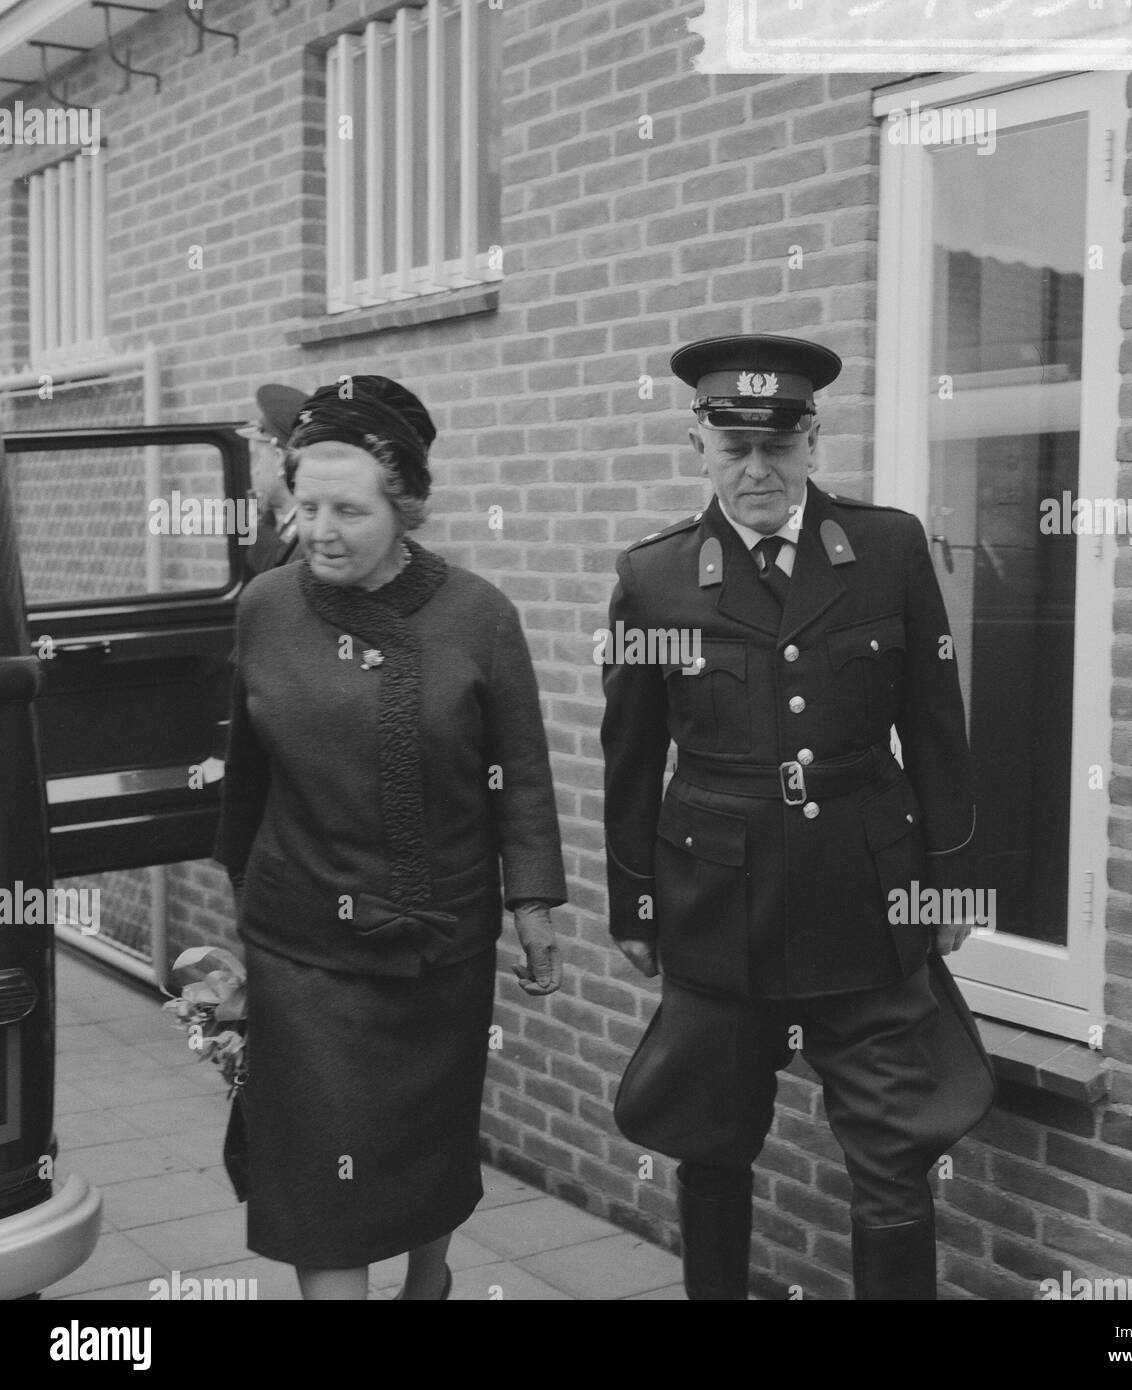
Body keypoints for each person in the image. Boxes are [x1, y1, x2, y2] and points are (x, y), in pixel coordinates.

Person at [600, 334, 995, 1300]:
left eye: (777, 447)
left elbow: (937, 728)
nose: (756, 471)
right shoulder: (654, 580)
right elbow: (632, 757)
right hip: (716, 907)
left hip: (867, 898)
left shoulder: (888, 549)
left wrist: (954, 884)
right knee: (709, 1142)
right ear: (698, 444)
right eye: (732, 448)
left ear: (812, 440)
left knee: (894, 1151)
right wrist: (634, 909)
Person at [214, 374, 567, 1300]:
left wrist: (532, 904)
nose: (318, 530)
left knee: (421, 1153)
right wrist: (239, 899)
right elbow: (245, 773)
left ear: (403, 506)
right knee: (318, 1177)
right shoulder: (265, 608)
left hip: (436, 940)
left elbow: (521, 772)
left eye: (347, 510)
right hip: (303, 948)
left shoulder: (478, 616)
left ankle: (430, 1282)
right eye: (305, 505)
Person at [236, 383, 307, 573]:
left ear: (277, 457)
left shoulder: (305, 536)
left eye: (258, 458)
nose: (255, 471)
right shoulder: (292, 526)